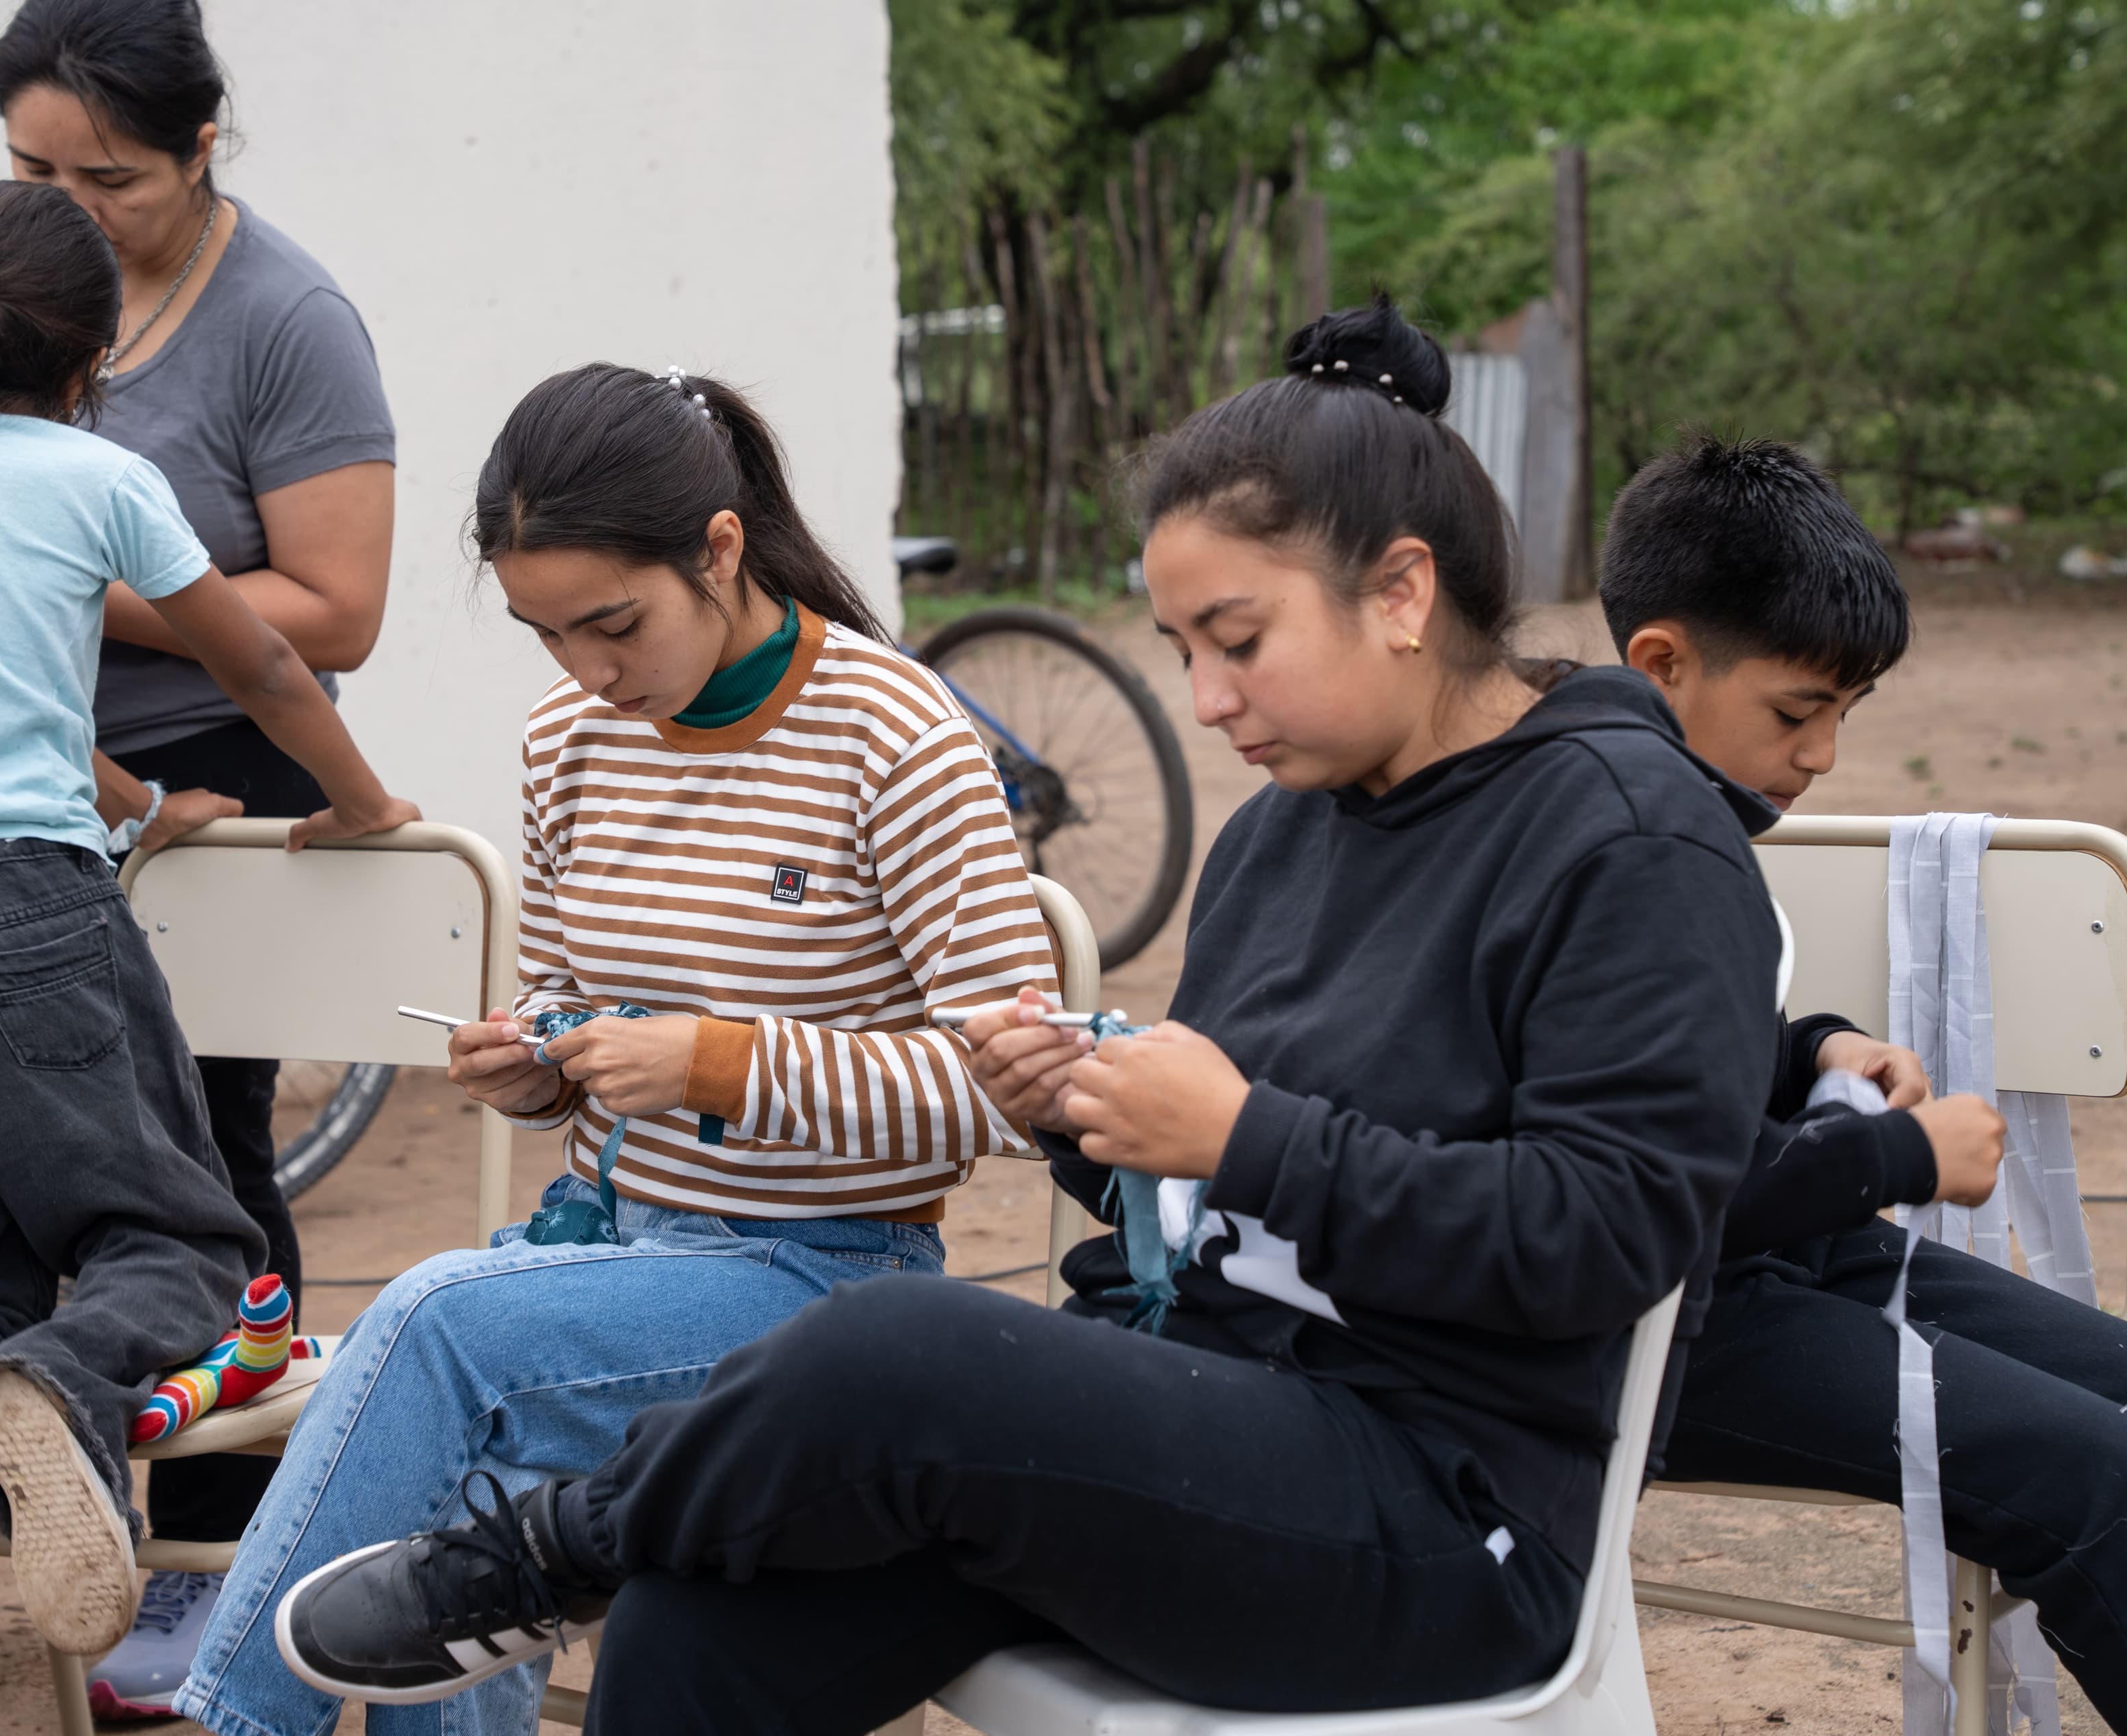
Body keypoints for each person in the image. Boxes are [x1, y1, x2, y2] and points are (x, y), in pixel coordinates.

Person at [267, 300, 1788, 1733]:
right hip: (1231, 1414)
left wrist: (1249, 1136)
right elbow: (1203, 1208)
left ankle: (544, 1551)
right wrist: (1086, 1112)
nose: (1201, 698)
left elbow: (1607, 1234)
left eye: (1235, 639)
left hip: (1453, 1517)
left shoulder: (1631, 838)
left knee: (900, 1346)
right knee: (697, 1620)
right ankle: (603, 1557)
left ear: (1401, 592)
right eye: (1182, 646)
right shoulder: (1284, 827)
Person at [168, 360, 1061, 1735]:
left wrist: (716, 1064)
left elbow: (1008, 1093)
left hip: (827, 1282)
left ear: (720, 548)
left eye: (614, 624)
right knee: (463, 1447)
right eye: (544, 633)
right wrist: (534, 1063)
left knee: (426, 1329)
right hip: (613, 1251)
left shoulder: (896, 736)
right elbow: (578, 1005)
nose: (588, 671)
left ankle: (228, 1717)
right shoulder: (570, 740)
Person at [0, 3, 398, 1708]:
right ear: (80, 360)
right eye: (38, 170)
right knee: (184, 1249)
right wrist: (370, 806)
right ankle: (61, 1398)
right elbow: (274, 659)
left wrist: (127, 790)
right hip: (22, 918)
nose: (75, 193)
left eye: (102, 168)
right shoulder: (83, 471)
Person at [1606, 434, 2127, 1731]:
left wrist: (1816, 1050)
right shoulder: (1606, 824)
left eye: (1846, 716)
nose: (1826, 760)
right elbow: (1628, 1184)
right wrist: (1893, 1164)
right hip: (1670, 1318)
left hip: (1787, 1243)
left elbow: (1679, 1035)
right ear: (1662, 662)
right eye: (1799, 714)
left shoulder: (1687, 815)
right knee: (2096, 1467)